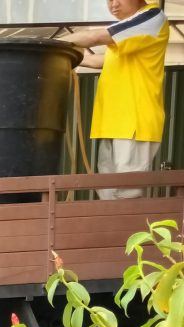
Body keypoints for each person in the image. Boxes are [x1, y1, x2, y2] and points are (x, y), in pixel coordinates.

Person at [65, 1, 169, 199]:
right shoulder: (127, 35)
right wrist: (69, 58)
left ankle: (127, 230)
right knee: (108, 191)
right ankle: (112, 230)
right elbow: (100, 61)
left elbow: (95, 36)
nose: (113, 4)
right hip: (113, 122)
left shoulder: (151, 16)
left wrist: (53, 46)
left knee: (126, 192)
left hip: (133, 122)